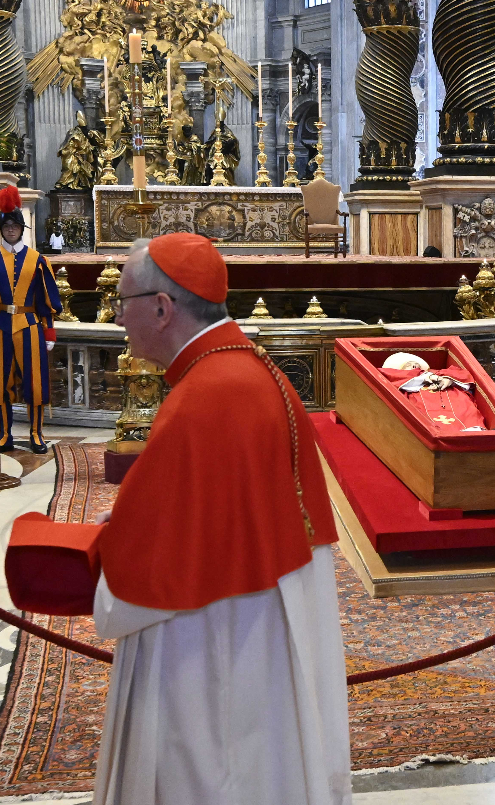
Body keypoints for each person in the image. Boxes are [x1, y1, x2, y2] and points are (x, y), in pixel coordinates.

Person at [90, 234, 350, 804]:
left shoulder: (206, 395)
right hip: (254, 609)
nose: (118, 318)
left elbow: (157, 567)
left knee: (212, 765)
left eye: (123, 302)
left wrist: (118, 545)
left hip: (213, 641)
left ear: (162, 308)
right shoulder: (241, 369)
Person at [0, 185, 62, 454]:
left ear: (21, 228)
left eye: (14, 226)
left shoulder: (38, 260)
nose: (10, 230)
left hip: (29, 325)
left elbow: (46, 299)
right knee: (0, 380)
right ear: (1, 229)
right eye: (6, 226)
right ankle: (4, 433)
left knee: (34, 381)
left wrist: (49, 331)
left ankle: (36, 433)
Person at [379, 351, 486, 433]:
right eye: (409, 364)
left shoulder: (438, 373)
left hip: (453, 398)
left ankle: (473, 431)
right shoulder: (400, 380)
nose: (415, 366)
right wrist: (425, 377)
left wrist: (449, 380)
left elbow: (463, 375)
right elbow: (387, 376)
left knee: (466, 410)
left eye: (416, 363)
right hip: (421, 402)